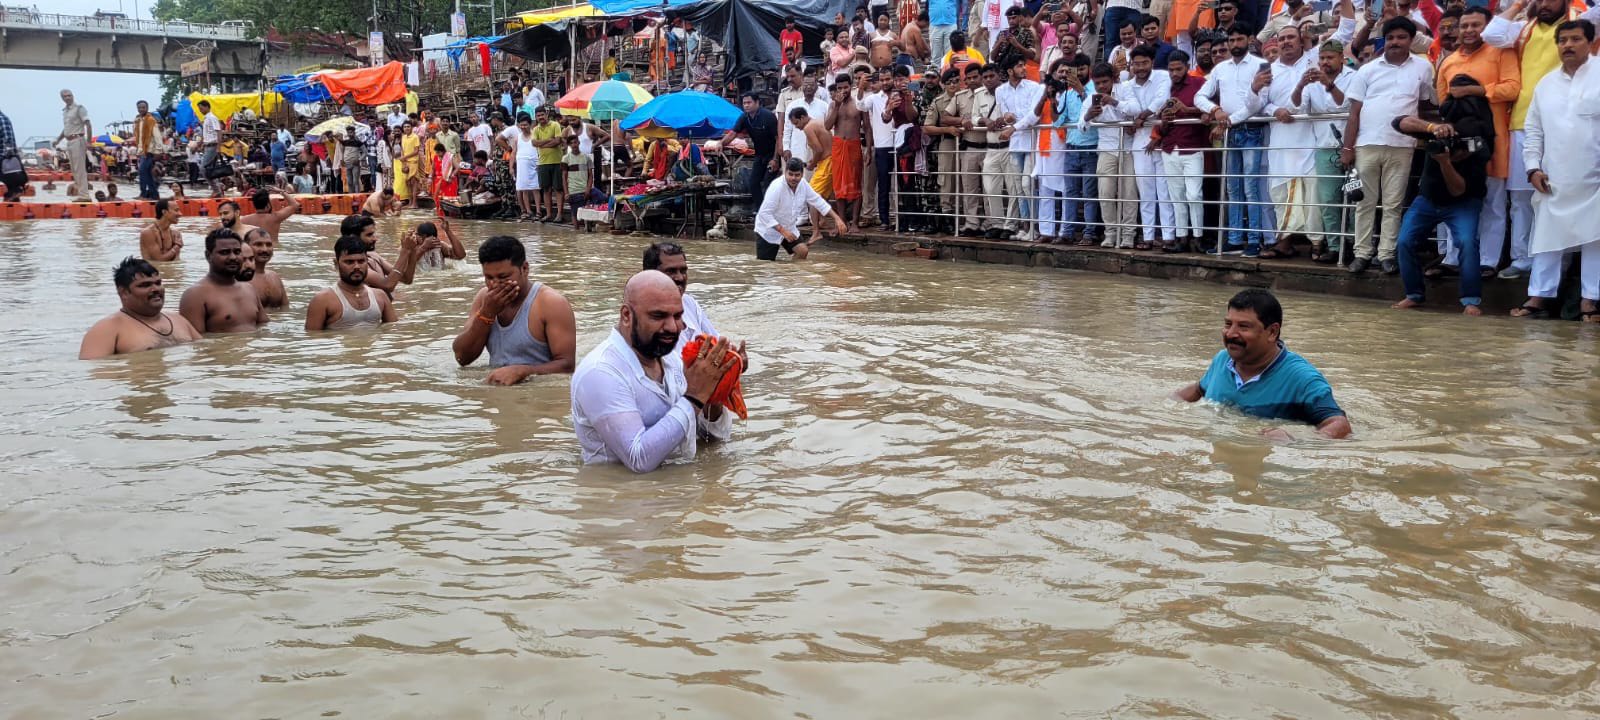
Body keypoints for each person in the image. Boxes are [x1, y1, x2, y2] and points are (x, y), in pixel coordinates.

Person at [571, 270, 737, 473]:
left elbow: (713, 437)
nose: (672, 327)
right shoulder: (600, 372)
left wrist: (714, 394)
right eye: (658, 316)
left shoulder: (671, 359)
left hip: (680, 492)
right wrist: (694, 397)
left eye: (677, 316)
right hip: (621, 498)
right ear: (626, 315)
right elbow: (638, 459)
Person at [1481, 0, 1586, 281]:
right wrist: (1518, 5)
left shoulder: (1580, 20)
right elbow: (1490, 35)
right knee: (1520, 197)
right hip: (1523, 121)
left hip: (1566, 123)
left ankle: (1560, 260)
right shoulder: (1524, 28)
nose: (1544, 3)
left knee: (1561, 195)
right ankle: (1522, 259)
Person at [1172, 289, 1351, 439]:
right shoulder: (1222, 359)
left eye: (1243, 327)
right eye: (1228, 324)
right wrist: (1167, 409)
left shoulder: (1302, 378)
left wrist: (1295, 438)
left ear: (1272, 332)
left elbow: (1339, 425)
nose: (1231, 334)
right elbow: (1199, 390)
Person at [1510, 19, 1600, 321]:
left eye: (1575, 39)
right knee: (1547, 236)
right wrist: (1532, 168)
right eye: (1563, 40)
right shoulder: (1546, 84)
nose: (1568, 45)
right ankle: (1539, 297)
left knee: (1595, 238)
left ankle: (1592, 301)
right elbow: (1533, 130)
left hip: (1595, 176)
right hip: (1553, 175)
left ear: (1591, 42)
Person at [1390, 75, 1496, 315]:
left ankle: (1471, 300)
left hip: (1463, 202)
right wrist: (1432, 128)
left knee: (1467, 243)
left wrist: (1445, 162)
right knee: (1405, 240)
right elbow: (1398, 122)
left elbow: (1458, 189)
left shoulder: (1479, 147)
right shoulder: (1439, 132)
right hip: (1427, 198)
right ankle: (1414, 294)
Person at [1429, 6, 1519, 279]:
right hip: (1458, 140)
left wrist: (1476, 90)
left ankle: (1488, 261)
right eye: (1464, 25)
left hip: (1494, 138)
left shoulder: (1501, 51)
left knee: (1492, 200)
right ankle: (1453, 257)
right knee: (1458, 198)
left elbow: (1513, 87)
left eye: (1475, 25)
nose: (1469, 30)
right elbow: (1443, 102)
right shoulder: (1449, 61)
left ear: (1488, 26)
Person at [1342, 17, 1436, 275]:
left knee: (1393, 204)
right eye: (1391, 37)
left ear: (1410, 40)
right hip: (1367, 144)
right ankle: (1362, 254)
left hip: (1402, 145)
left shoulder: (1423, 68)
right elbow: (1354, 112)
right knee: (1364, 203)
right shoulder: (1368, 70)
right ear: (1385, 40)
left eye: (1401, 37)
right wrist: (1347, 148)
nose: (1395, 42)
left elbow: (1427, 105)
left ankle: (1386, 254)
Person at [452, 236, 576, 385]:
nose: (495, 284)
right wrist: (486, 314)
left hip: (537, 392)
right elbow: (462, 357)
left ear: (524, 268)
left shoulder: (551, 303)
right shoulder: (484, 298)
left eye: (503, 277)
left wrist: (524, 371)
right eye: (488, 277)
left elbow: (567, 365)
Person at [1195, 25, 1272, 256]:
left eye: (1239, 39)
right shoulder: (1220, 69)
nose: (1235, 43)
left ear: (1248, 40)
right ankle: (1235, 238)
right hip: (1231, 132)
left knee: (1250, 187)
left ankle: (1254, 240)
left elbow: (1259, 103)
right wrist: (1216, 109)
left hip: (1252, 130)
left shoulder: (1261, 65)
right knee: (1232, 187)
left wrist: (1226, 121)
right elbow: (1200, 96)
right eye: (1232, 39)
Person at [1296, 39, 1358, 264]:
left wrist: (1329, 85)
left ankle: (1354, 245)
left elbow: (1347, 106)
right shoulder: (1312, 82)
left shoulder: (1353, 77)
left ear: (1342, 58)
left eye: (1330, 58)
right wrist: (1300, 86)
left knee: (1354, 199)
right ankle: (1335, 246)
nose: (1325, 62)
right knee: (1329, 201)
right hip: (1324, 149)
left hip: (1352, 148)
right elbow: (1298, 107)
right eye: (1322, 58)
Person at [1259, 26, 1317, 260]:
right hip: (1282, 139)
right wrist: (1276, 110)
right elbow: (1261, 103)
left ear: (1301, 41)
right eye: (1281, 39)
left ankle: (1318, 243)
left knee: (1314, 193)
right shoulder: (1268, 71)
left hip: (1310, 138)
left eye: (1291, 37)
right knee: (1280, 192)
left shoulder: (1313, 63)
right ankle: (1283, 242)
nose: (1286, 42)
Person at [79, 257, 202, 360]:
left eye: (158, 283)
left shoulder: (179, 320)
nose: (155, 289)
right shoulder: (106, 330)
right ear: (124, 293)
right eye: (145, 285)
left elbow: (206, 353)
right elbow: (95, 378)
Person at [1117, 45, 1173, 250]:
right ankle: (1148, 236)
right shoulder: (1126, 85)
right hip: (1140, 143)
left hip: (1162, 139)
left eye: (1144, 63)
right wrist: (1142, 114)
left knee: (1165, 191)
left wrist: (1142, 115)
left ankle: (1168, 236)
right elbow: (1130, 107)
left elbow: (1162, 101)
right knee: (1146, 193)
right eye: (1136, 64)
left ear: (1152, 62)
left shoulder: (1163, 77)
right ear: (1131, 65)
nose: (1140, 67)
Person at [1155, 50, 1211, 252]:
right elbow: (1158, 124)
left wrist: (1187, 110)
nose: (1174, 73)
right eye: (1171, 70)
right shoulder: (1164, 88)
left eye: (1178, 69)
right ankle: (1181, 238)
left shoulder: (1199, 84)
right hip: (1169, 146)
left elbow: (1212, 109)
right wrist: (1164, 120)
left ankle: (1198, 237)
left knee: (1194, 195)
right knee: (1176, 196)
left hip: (1192, 146)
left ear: (1187, 67)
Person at [1082, 61, 1139, 249]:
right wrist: (1089, 115)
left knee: (1129, 192)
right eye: (1097, 83)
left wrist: (1113, 102)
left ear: (1112, 79)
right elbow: (1080, 126)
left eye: (1104, 82)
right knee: (1105, 193)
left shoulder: (1124, 90)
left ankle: (1128, 234)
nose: (1101, 86)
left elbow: (1135, 110)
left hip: (1128, 148)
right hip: (1106, 148)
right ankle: (1111, 233)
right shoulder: (1091, 97)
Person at [178, 229, 269, 335]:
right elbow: (195, 343)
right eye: (225, 252)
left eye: (237, 252)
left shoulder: (249, 289)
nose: (233, 257)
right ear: (208, 256)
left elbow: (264, 328)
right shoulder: (195, 295)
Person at [756, 158, 848, 260]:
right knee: (766, 266)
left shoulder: (803, 184)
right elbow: (764, 214)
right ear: (785, 172)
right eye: (790, 174)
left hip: (789, 227)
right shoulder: (777, 187)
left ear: (802, 174)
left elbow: (818, 202)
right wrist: (783, 231)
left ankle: (792, 274)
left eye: (797, 175)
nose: (793, 178)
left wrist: (837, 219)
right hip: (768, 230)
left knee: (802, 251)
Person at [305, 236, 398, 331]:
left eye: (361, 261)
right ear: (336, 264)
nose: (357, 266)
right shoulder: (322, 301)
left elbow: (393, 333)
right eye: (349, 262)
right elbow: (313, 340)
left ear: (367, 261)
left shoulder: (380, 296)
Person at [724, 93, 781, 215]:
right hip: (759, 154)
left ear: (757, 102)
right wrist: (720, 144)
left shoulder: (768, 116)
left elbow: (778, 138)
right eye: (744, 103)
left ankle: (772, 211)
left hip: (773, 154)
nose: (746, 105)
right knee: (753, 183)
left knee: (767, 183)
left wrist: (776, 159)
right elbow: (733, 133)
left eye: (749, 102)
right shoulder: (744, 117)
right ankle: (761, 210)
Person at [824, 74, 866, 233]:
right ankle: (841, 222)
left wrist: (868, 150)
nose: (843, 91)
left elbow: (867, 127)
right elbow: (827, 126)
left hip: (854, 145)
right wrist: (836, 106)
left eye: (845, 87)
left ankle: (854, 222)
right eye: (839, 88)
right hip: (838, 145)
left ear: (851, 86)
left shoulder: (858, 103)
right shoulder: (833, 105)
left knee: (856, 184)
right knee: (838, 186)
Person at [341, 214, 418, 295]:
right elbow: (388, 285)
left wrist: (412, 249)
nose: (375, 239)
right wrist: (405, 250)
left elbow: (407, 279)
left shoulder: (374, 256)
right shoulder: (354, 265)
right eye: (369, 235)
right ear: (353, 237)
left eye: (373, 234)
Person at [531, 107, 566, 222]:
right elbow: (534, 143)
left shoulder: (555, 125)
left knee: (559, 189)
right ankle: (549, 214)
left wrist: (542, 144)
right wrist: (548, 141)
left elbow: (557, 141)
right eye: (538, 115)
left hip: (557, 161)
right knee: (546, 190)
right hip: (543, 163)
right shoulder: (535, 129)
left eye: (542, 114)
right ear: (536, 117)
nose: (541, 117)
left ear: (546, 114)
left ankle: (559, 214)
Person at [243, 227, 289, 310]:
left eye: (268, 245)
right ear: (246, 247)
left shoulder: (275, 277)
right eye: (258, 244)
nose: (265, 249)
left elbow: (286, 310)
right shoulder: (241, 278)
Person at [58, 89, 92, 201]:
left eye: (69, 95)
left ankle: (84, 195)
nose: (68, 98)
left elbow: (88, 124)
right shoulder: (65, 111)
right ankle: (81, 193)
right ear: (62, 98)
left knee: (80, 169)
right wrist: (58, 140)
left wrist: (89, 141)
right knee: (74, 169)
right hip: (69, 141)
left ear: (73, 96)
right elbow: (66, 129)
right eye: (65, 96)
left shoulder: (79, 108)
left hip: (78, 139)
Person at [131, 100, 161, 200]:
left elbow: (157, 136)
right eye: (139, 108)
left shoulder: (151, 120)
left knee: (142, 172)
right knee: (147, 174)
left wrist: (158, 151)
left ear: (147, 108)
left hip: (150, 150)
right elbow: (139, 138)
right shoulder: (138, 121)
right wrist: (139, 151)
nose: (141, 109)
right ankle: (154, 195)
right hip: (143, 151)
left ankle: (143, 194)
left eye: (143, 107)